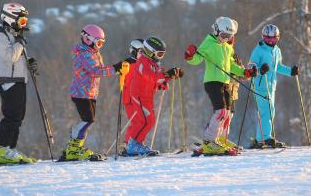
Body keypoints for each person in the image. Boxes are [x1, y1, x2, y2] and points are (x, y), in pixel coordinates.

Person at [185, 17, 257, 155]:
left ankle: (220, 139)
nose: (225, 39)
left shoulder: (227, 47)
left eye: (229, 36)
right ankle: (209, 141)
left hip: (225, 82)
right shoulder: (209, 43)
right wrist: (190, 55)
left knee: (228, 113)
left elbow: (232, 66)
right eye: (224, 35)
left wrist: (245, 72)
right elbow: (196, 59)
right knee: (221, 111)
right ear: (216, 31)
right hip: (212, 82)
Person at [0, 3, 38, 166]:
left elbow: (17, 58)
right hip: (7, 81)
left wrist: (29, 62)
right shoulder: (0, 35)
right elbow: (10, 57)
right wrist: (20, 43)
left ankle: (9, 149)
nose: (24, 25)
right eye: (22, 21)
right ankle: (0, 149)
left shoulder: (12, 33)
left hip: (17, 79)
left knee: (19, 116)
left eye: (25, 21)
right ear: (10, 18)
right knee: (12, 116)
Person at [61, 24, 122, 161]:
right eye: (98, 43)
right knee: (88, 119)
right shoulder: (83, 54)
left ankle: (75, 147)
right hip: (81, 93)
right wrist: (115, 69)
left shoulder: (93, 53)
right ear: (88, 39)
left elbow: (100, 69)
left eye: (102, 43)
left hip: (89, 93)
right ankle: (74, 147)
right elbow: (95, 71)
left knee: (88, 120)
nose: (100, 46)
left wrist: (117, 68)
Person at [126, 36, 183, 156]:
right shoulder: (142, 62)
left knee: (150, 121)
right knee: (145, 120)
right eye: (159, 54)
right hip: (139, 95)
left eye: (162, 54)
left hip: (148, 96)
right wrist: (166, 74)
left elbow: (157, 79)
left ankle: (137, 144)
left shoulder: (154, 64)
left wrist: (168, 78)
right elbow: (151, 76)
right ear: (150, 52)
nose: (160, 56)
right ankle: (132, 145)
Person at [249, 24, 298, 148]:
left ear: (278, 38)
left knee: (270, 111)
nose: (270, 41)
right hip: (260, 85)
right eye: (267, 39)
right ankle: (264, 138)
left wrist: (290, 71)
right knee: (267, 110)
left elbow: (278, 67)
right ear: (263, 37)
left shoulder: (277, 50)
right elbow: (250, 67)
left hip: (271, 86)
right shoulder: (258, 50)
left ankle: (261, 138)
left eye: (273, 39)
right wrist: (260, 70)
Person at [120, 38, 144, 155]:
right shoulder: (128, 63)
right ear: (133, 51)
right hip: (130, 99)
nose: (143, 54)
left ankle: (136, 144)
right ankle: (128, 145)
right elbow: (129, 82)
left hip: (140, 98)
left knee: (142, 121)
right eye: (140, 52)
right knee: (136, 122)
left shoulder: (143, 64)